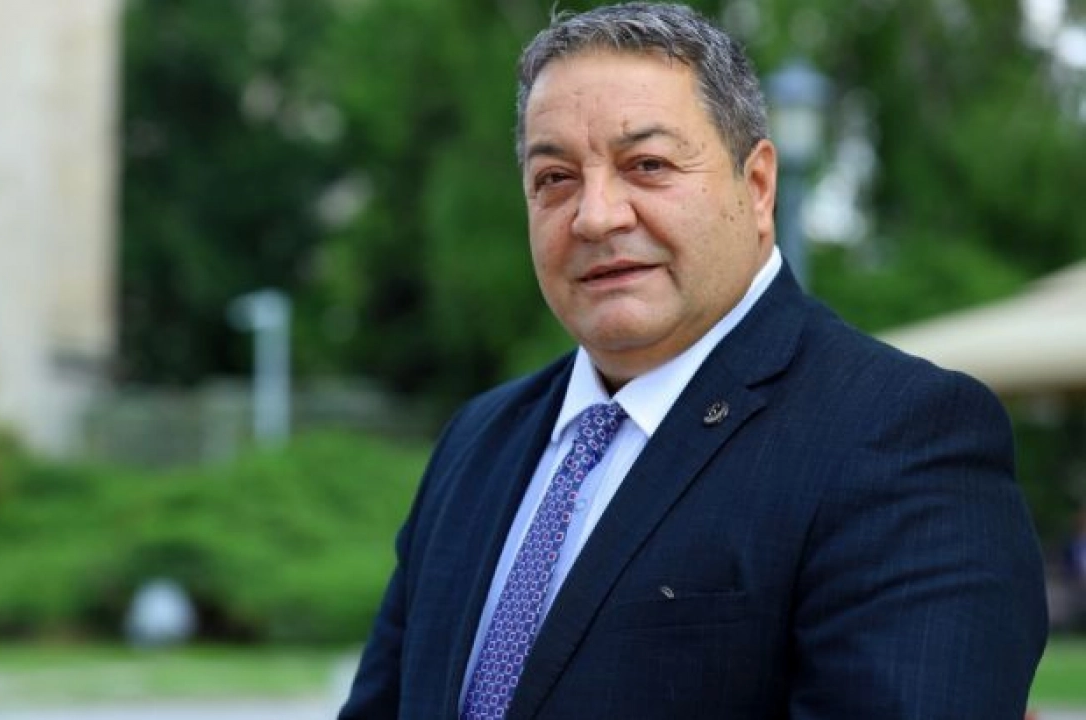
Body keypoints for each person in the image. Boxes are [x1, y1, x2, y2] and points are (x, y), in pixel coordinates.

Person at [339, 3, 1048, 718]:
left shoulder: (900, 434)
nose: (596, 215)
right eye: (554, 178)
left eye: (647, 165)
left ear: (758, 186)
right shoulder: (477, 441)